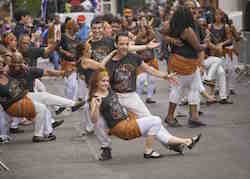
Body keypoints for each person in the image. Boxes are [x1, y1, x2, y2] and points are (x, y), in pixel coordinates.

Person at [89, 69, 202, 160]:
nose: (106, 83)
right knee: (155, 120)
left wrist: (132, 115)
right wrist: (96, 106)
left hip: (127, 121)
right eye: (103, 81)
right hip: (121, 128)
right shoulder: (96, 98)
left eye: (107, 81)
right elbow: (94, 120)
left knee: (156, 129)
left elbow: (120, 105)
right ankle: (148, 151)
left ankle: (187, 141)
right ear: (96, 83)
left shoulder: (109, 90)